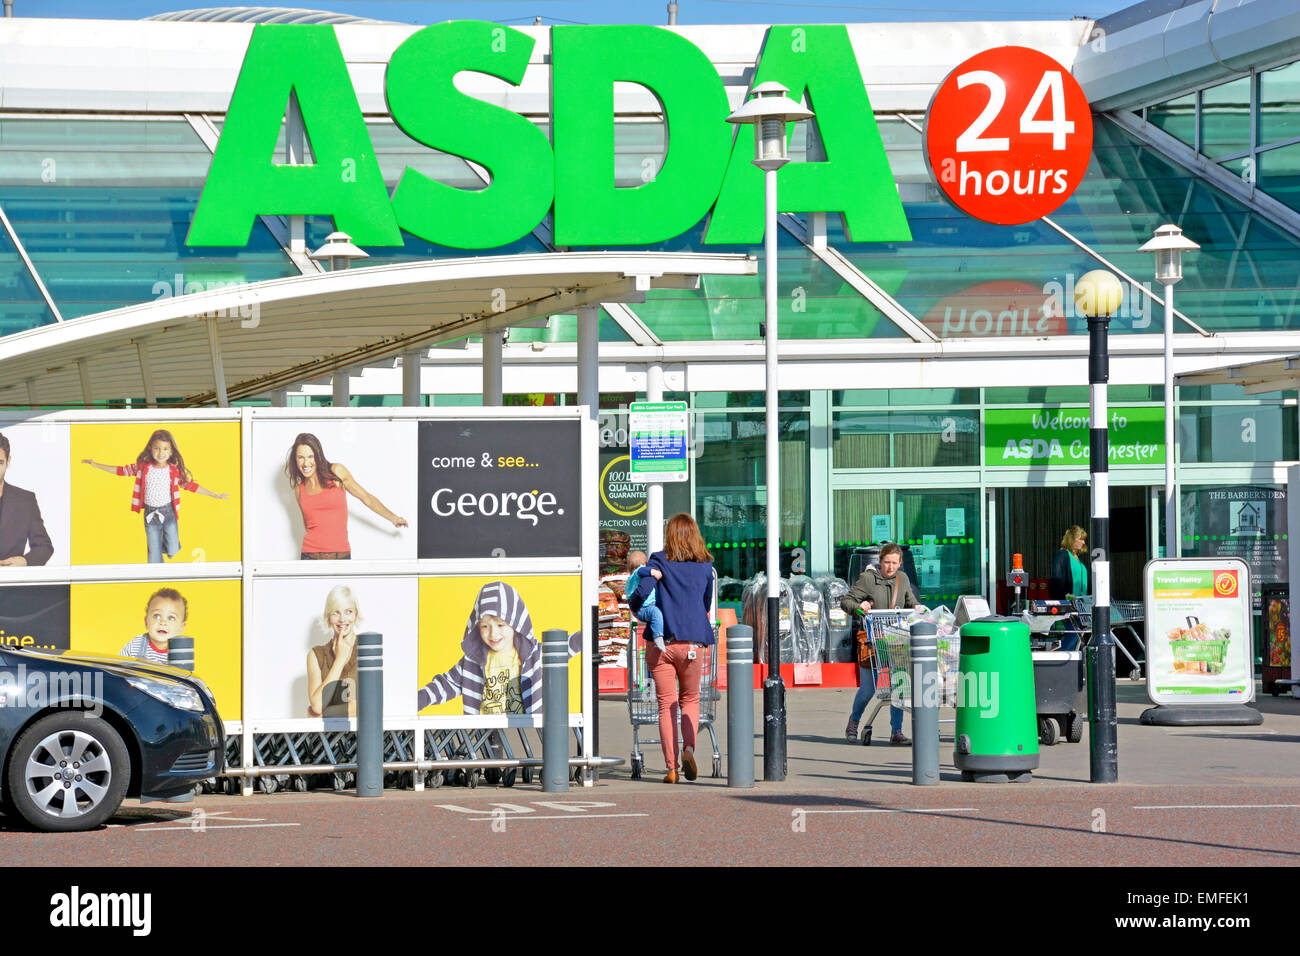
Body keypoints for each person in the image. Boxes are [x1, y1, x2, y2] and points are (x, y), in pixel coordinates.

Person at [628, 513, 714, 784]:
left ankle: (672, 768)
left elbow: (641, 592)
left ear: (670, 535)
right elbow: (706, 601)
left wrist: (637, 608)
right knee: (691, 699)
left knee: (667, 705)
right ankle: (689, 748)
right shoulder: (705, 565)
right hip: (692, 643)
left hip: (661, 642)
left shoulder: (659, 560)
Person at [416, 580, 581, 715]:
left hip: (526, 731)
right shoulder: (472, 661)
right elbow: (446, 684)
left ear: (516, 624)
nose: (493, 634)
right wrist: (418, 700)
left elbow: (567, 646)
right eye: (485, 626)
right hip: (486, 735)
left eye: (501, 625)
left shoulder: (535, 655)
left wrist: (591, 632)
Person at [83, 429, 228, 563]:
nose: (160, 453)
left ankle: (166, 547)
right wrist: (96, 465)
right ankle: (158, 567)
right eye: (157, 448)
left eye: (165, 449)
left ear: (171, 452)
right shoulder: (143, 467)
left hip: (169, 512)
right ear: (150, 449)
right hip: (150, 513)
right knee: (153, 555)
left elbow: (191, 486)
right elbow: (121, 470)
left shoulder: (174, 470)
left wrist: (214, 494)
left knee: (173, 550)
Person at [840, 542, 923, 746]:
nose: (891, 567)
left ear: (900, 563)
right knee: (868, 689)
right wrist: (860, 607)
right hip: (872, 642)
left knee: (899, 685)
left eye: (895, 563)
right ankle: (854, 722)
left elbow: (911, 601)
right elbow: (846, 602)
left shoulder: (902, 579)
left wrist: (918, 608)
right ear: (880, 561)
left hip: (896, 641)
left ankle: (896, 731)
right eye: (887, 562)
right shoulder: (868, 579)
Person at [284, 433, 408, 560]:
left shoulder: (336, 472)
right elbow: (309, 524)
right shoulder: (299, 489)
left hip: (340, 556)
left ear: (318, 455)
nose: (306, 463)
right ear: (295, 459)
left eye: (311, 456)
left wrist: (393, 518)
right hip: (309, 556)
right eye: (301, 457)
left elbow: (366, 498)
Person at [0, 432, 53, 567]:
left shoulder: (25, 501)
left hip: (12, 584)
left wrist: (25, 561)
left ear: (8, 461)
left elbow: (44, 547)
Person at [307, 584, 360, 718]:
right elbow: (318, 705)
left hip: (362, 734)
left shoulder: (366, 649)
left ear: (356, 614)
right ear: (328, 617)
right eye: (336, 612)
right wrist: (340, 659)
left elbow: (371, 706)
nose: (342, 619)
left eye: (348, 611)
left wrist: (326, 711)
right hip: (326, 738)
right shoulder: (316, 655)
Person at [120, 587, 189, 665]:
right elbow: (118, 669)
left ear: (181, 627)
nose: (163, 622)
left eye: (171, 618)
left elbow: (186, 676)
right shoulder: (135, 645)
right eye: (157, 616)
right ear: (146, 622)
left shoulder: (181, 653)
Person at [1050, 525, 1089, 651]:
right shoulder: (1063, 555)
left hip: (1080, 608)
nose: (1083, 542)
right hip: (1068, 606)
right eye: (1080, 539)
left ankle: (1066, 665)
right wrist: (1063, 596)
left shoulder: (1079, 560)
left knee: (1076, 638)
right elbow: (1057, 578)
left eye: (1084, 539)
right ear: (1072, 539)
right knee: (1074, 636)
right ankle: (1059, 661)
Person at [625, 550, 664, 649]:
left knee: (656, 616)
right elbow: (641, 570)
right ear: (645, 563)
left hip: (639, 610)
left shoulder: (630, 580)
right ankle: (658, 636)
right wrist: (653, 572)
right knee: (656, 613)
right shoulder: (639, 571)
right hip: (646, 607)